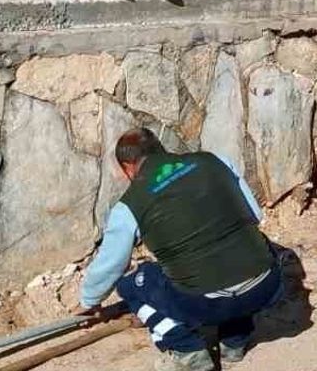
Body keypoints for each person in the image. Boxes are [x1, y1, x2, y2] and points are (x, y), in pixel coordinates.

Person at [78, 128, 283, 370]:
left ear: (128, 167)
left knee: (131, 284)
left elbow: (111, 266)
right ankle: (235, 341)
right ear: (160, 149)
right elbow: (255, 215)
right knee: (244, 252)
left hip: (207, 304)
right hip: (267, 286)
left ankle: (187, 348)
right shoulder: (215, 161)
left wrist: (89, 300)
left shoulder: (129, 205)